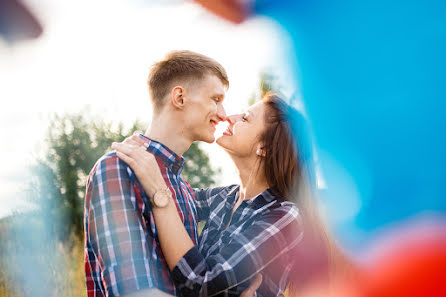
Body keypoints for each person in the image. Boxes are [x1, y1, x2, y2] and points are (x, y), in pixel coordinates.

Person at [112, 92, 347, 296]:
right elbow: (176, 197)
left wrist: (158, 194)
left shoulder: (284, 216)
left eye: (245, 118)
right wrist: (144, 151)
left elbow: (202, 284)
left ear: (263, 147)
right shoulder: (223, 197)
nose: (228, 117)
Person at [84, 50, 261, 297]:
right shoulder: (119, 170)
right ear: (179, 97)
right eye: (215, 99)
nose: (223, 114)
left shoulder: (182, 189)